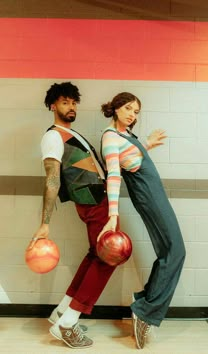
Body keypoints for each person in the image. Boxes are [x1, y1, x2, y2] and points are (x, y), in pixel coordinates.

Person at [28, 82, 117, 350]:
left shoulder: (69, 133)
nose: (71, 107)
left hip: (99, 201)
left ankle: (62, 311)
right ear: (53, 105)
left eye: (74, 102)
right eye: (65, 102)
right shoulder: (54, 136)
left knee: (96, 255)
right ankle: (68, 322)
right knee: (108, 257)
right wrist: (45, 224)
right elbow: (52, 180)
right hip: (93, 202)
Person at [100, 92, 186, 349]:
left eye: (136, 111)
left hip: (156, 198)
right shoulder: (110, 137)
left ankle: (143, 306)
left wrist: (146, 143)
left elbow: (131, 160)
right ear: (115, 108)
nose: (132, 114)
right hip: (150, 199)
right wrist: (112, 215)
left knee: (169, 253)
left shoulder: (126, 137)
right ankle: (146, 310)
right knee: (176, 251)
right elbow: (114, 175)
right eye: (127, 108)